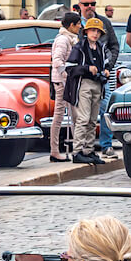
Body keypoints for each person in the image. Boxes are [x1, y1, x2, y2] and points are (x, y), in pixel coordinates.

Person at [78, 0, 119, 157]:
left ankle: (106, 145)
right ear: (79, 5)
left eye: (92, 4)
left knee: (106, 109)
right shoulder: (75, 23)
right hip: (84, 75)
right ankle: (82, 148)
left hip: (104, 74)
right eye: (86, 4)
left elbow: (114, 45)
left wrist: (109, 64)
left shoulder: (104, 22)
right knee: (84, 114)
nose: (90, 7)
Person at [64, 18, 109, 165]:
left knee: (92, 120)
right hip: (84, 83)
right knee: (83, 119)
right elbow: (69, 67)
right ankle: (77, 151)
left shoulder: (101, 47)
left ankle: (89, 150)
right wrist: (87, 68)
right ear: (86, 32)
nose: (95, 34)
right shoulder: (80, 47)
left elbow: (106, 64)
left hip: (97, 84)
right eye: (92, 31)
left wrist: (106, 71)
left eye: (97, 31)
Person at [50, 11, 81, 162]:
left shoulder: (70, 38)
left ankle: (77, 147)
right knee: (60, 115)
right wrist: (66, 76)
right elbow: (57, 61)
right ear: (71, 25)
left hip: (66, 81)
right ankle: (55, 150)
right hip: (62, 82)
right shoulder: (63, 39)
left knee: (72, 113)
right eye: (78, 24)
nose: (80, 27)